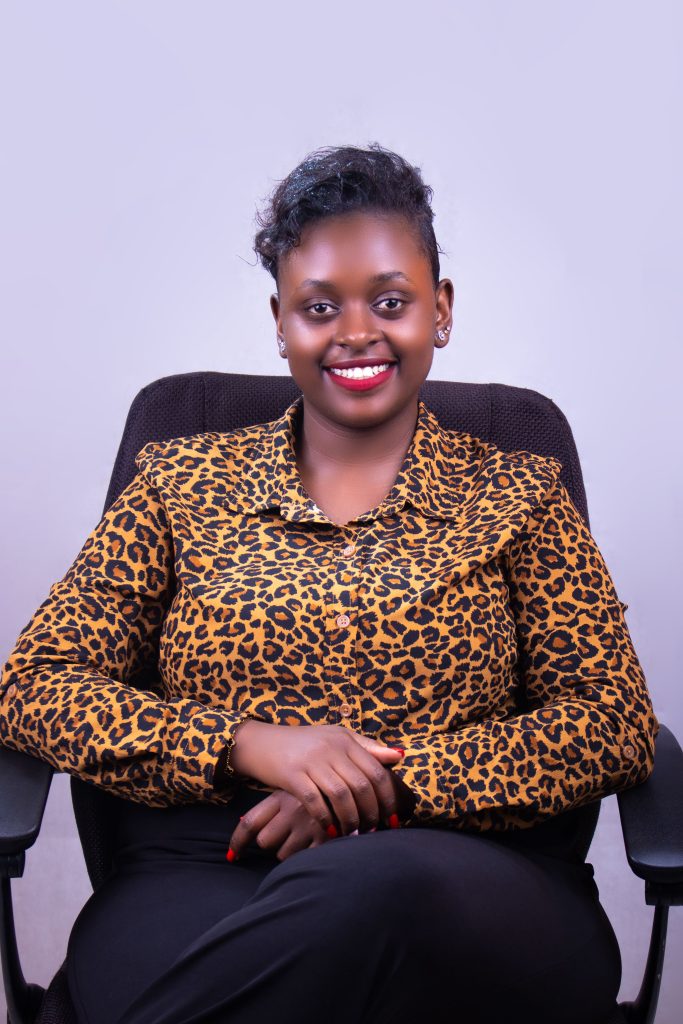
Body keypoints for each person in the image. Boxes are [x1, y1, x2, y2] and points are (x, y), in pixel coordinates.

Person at [0, 143, 658, 1024]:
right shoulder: (179, 481)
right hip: (206, 868)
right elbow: (36, 687)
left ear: (440, 309)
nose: (355, 332)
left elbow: (610, 723)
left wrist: (386, 789)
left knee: (375, 885)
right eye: (318, 307)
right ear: (280, 322)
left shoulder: (518, 492)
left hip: (465, 878)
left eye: (389, 301)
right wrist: (250, 745)